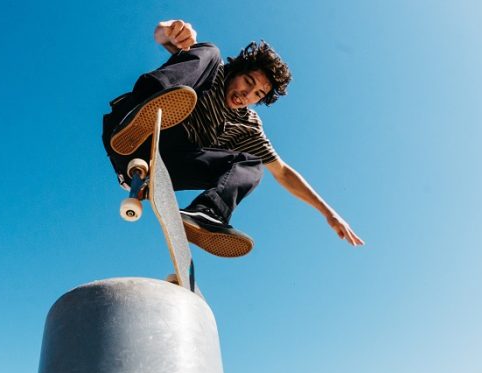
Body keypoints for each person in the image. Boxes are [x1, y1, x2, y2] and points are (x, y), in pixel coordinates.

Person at [103, 19, 364, 258]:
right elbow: (163, 35)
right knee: (210, 50)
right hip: (128, 132)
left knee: (251, 164)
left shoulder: (247, 126)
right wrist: (172, 29)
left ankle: (207, 213)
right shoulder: (212, 71)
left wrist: (328, 213)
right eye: (247, 81)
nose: (247, 94)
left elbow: (283, 172)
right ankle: (146, 106)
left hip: (160, 165)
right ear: (236, 71)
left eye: (257, 94)